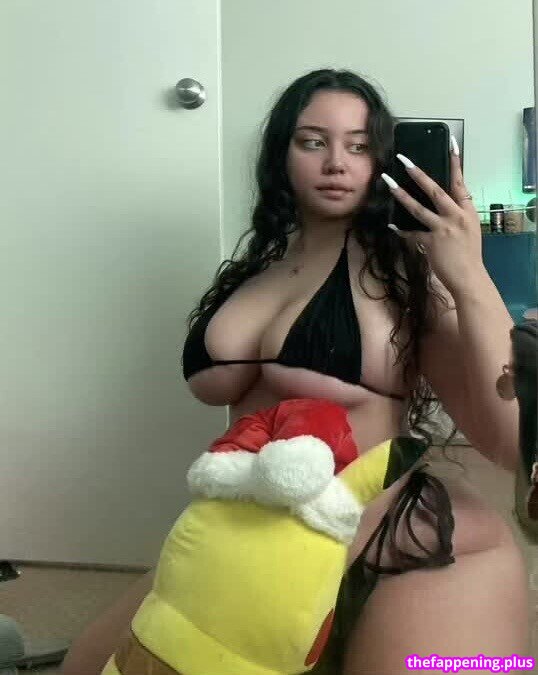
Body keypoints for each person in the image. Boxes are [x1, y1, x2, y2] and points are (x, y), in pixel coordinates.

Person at [62, 69, 529, 675]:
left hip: (386, 544)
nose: (336, 162)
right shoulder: (256, 269)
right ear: (281, 153)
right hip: (242, 531)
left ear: (382, 159)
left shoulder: (406, 278)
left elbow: (511, 442)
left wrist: (468, 272)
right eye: (313, 142)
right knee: (85, 664)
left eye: (358, 145)